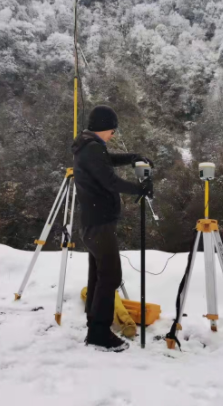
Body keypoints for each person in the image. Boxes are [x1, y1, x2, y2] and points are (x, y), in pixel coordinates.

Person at [72, 105, 153, 352]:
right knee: (110, 276)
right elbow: (109, 180)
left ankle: (94, 324)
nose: (113, 135)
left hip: (94, 221)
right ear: (104, 128)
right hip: (98, 223)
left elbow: (106, 162)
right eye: (112, 131)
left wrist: (132, 157)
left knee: (99, 275)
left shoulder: (88, 146)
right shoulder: (92, 148)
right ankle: (98, 333)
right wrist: (139, 189)